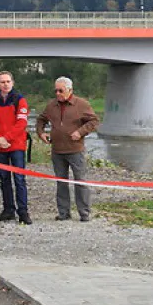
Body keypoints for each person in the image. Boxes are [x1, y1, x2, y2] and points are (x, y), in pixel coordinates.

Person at [36, 76, 99, 222]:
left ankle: (84, 212)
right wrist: (41, 133)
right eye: (55, 90)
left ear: (70, 90)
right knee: (61, 182)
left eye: (61, 90)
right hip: (57, 150)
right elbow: (40, 120)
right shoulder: (51, 105)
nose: (57, 93)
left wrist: (80, 132)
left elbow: (94, 121)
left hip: (76, 150)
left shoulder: (82, 104)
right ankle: (63, 212)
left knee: (80, 181)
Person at [0, 71, 32, 225]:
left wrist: (6, 138)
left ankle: (23, 211)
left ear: (12, 83)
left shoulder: (20, 100)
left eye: (8, 81)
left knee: (19, 179)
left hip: (16, 145)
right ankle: (8, 209)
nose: (5, 84)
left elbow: (21, 123)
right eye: (2, 82)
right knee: (4, 179)